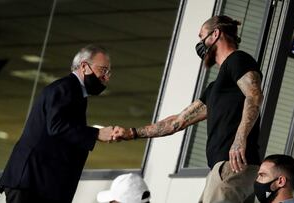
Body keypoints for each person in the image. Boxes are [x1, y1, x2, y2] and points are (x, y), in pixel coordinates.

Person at [112, 15, 264, 203]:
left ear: (215, 34)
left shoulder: (237, 60)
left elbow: (254, 95)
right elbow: (177, 122)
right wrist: (132, 133)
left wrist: (239, 139)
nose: (199, 43)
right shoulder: (215, 88)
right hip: (228, 168)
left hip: (233, 165)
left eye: (201, 36)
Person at [0, 44, 116, 203]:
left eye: (108, 73)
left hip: (40, 183)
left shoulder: (75, 94)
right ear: (84, 66)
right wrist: (97, 133)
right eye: (103, 70)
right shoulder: (64, 88)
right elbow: (57, 126)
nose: (106, 77)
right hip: (31, 182)